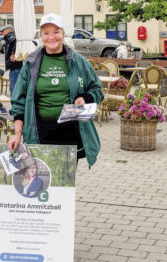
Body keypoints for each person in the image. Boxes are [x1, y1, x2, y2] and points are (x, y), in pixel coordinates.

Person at [8, 13, 103, 166]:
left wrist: (85, 98)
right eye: (46, 33)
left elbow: (97, 90)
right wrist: (18, 134)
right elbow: (19, 102)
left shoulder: (79, 62)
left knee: (65, 186)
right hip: (39, 134)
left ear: (63, 34)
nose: (51, 37)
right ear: (41, 36)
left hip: (70, 134)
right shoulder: (31, 63)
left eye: (56, 32)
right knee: (42, 182)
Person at [0, 25, 23, 93]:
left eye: (2, 31)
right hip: (15, 66)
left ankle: (15, 103)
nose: (1, 33)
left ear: (9, 30)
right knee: (14, 88)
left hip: (15, 66)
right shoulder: (10, 37)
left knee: (14, 89)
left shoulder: (11, 37)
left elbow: (17, 44)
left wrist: (13, 54)